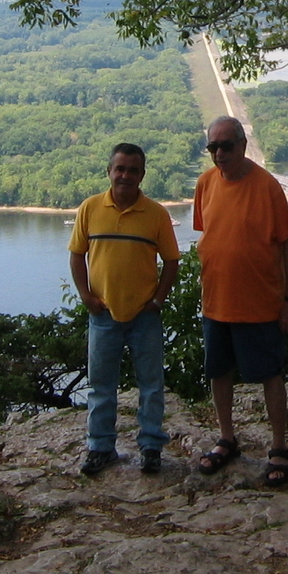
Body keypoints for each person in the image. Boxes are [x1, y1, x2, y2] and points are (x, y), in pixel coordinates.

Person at [191, 115, 288, 485]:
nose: (219, 154)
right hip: (216, 301)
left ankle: (279, 448)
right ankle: (226, 438)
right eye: (213, 148)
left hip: (260, 302)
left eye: (226, 146)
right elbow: (210, 234)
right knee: (219, 372)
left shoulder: (267, 187)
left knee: (270, 374)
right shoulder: (205, 184)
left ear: (242, 145)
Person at [68, 142, 181, 476]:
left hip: (144, 316)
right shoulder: (90, 208)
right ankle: (100, 447)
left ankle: (150, 446)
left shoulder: (157, 214)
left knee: (151, 385)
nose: (125, 175)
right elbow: (77, 254)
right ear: (109, 171)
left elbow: (172, 261)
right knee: (101, 385)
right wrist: (86, 296)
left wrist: (158, 300)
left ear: (142, 175)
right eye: (120, 168)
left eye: (133, 170)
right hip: (103, 315)